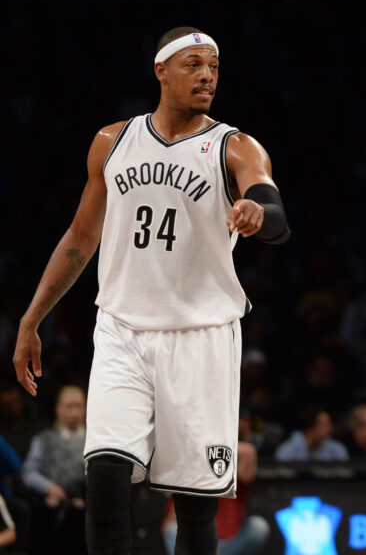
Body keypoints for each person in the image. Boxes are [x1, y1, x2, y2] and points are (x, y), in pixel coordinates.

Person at [12, 27, 291, 555]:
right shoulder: (111, 142)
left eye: (213, 66)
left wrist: (259, 210)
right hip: (122, 328)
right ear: (161, 71)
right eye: (193, 64)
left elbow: (273, 210)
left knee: (194, 504)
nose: (207, 75)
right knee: (106, 481)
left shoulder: (233, 146)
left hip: (202, 335)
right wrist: (32, 318)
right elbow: (79, 237)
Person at [163, 440, 270, 555]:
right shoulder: (188, 482)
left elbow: (248, 452)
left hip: (229, 546)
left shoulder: (231, 474)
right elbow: (169, 527)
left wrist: (204, 451)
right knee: (172, 530)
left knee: (258, 526)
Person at [22, 385, 87, 554]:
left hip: (83, 504)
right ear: (58, 409)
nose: (74, 412)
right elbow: (29, 472)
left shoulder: (93, 441)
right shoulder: (44, 439)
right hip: (51, 504)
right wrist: (49, 487)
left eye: (78, 406)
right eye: (69, 406)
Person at [274, 408, 349, 462]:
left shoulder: (337, 449)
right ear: (309, 429)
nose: (330, 429)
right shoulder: (287, 451)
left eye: (330, 424)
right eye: (324, 425)